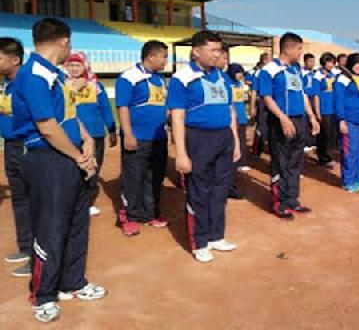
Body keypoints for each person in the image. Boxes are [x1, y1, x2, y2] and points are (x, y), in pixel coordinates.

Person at [12, 18, 106, 323]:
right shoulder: (34, 75)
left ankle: (73, 282)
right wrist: (79, 157)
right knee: (51, 228)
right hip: (47, 160)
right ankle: (43, 295)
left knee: (77, 222)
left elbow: (69, 114)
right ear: (64, 42)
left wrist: (87, 140)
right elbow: (47, 127)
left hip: (68, 155)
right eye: (70, 44)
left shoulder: (56, 75)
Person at [168, 31, 241, 263]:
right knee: (200, 190)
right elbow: (177, 117)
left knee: (220, 189)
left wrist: (235, 141)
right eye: (213, 50)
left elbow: (230, 110)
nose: (217, 54)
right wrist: (181, 153)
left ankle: (216, 235)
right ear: (196, 52)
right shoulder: (182, 78)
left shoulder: (222, 76)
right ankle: (199, 241)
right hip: (199, 138)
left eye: (219, 50)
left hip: (223, 138)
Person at [258, 33, 319, 220]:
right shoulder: (269, 70)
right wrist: (283, 118)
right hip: (281, 121)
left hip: (299, 120)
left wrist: (312, 117)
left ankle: (292, 199)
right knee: (281, 162)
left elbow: (302, 95)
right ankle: (280, 203)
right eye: (299, 49)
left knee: (295, 162)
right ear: (289, 48)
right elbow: (266, 97)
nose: (300, 53)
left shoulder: (295, 70)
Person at [115, 40, 169, 237]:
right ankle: (129, 216)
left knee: (154, 177)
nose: (166, 61)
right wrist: (128, 134)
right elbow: (122, 107)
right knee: (134, 179)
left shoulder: (160, 79)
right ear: (151, 56)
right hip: (137, 138)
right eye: (164, 57)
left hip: (159, 138)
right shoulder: (129, 77)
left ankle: (150, 214)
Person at [64, 52, 117, 217]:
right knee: (72, 170)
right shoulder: (62, 85)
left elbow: (105, 109)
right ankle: (70, 203)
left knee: (92, 168)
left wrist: (111, 129)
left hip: (95, 134)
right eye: (71, 65)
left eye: (77, 65)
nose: (74, 69)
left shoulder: (95, 85)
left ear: (85, 66)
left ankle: (87, 203)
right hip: (71, 136)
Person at [0, 38, 31, 278]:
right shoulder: (6, 85)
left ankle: (39, 255)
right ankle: (26, 246)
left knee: (35, 200)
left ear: (15, 59)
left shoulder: (26, 84)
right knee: (19, 199)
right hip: (10, 147)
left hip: (26, 146)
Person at [334, 53, 359, 192]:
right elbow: (338, 100)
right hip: (351, 121)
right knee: (350, 152)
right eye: (357, 63)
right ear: (351, 63)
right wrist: (341, 120)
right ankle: (348, 181)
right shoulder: (343, 78)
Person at [312, 52, 337, 168]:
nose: (331, 65)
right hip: (324, 109)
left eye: (333, 62)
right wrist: (317, 112)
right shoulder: (318, 76)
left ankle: (329, 155)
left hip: (333, 109)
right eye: (329, 62)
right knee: (324, 135)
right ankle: (323, 158)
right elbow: (316, 95)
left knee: (331, 134)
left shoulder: (333, 75)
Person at [228, 62, 250, 179]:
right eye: (239, 73)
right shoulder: (228, 84)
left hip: (241, 116)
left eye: (242, 73)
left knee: (242, 140)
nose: (241, 75)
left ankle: (242, 162)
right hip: (232, 117)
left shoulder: (240, 84)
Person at [249, 53, 271, 156]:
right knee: (261, 126)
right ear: (264, 61)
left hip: (272, 102)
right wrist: (252, 106)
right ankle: (257, 149)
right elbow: (254, 91)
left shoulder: (271, 72)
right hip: (262, 102)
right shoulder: (258, 73)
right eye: (270, 60)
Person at [301, 53, 317, 152]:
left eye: (313, 61)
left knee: (314, 119)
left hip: (313, 98)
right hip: (305, 99)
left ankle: (312, 141)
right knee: (305, 120)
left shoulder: (314, 73)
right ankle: (305, 142)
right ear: (305, 62)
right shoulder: (301, 73)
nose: (312, 63)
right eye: (310, 61)